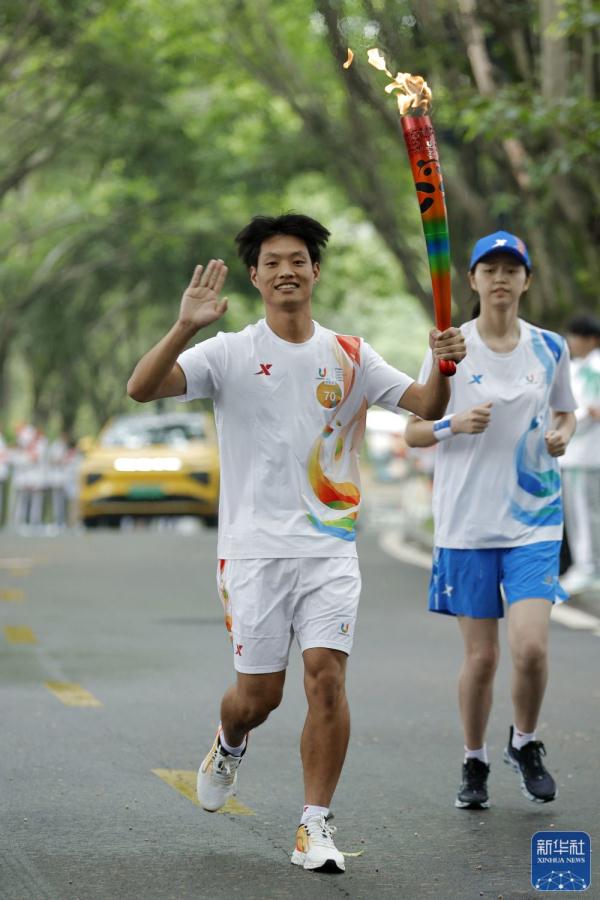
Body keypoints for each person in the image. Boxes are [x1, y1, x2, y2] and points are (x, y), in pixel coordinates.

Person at [127, 213, 465, 873]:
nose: (287, 270)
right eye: (273, 261)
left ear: (315, 272)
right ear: (255, 276)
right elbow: (141, 388)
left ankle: (314, 826)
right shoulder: (227, 351)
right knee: (259, 697)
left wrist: (445, 364)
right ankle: (228, 740)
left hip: (329, 548)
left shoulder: (350, 354)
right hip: (253, 551)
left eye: (299, 260)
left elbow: (426, 404)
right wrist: (184, 327)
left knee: (327, 680)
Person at [405, 230, 576, 811]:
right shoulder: (449, 348)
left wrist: (560, 436)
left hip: (534, 519)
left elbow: (566, 414)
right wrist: (454, 425)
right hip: (466, 523)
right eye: (489, 269)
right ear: (472, 280)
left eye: (512, 269)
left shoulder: (551, 347)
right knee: (482, 657)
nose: (500, 278)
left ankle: (523, 742)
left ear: (527, 280)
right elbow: (413, 430)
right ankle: (473, 758)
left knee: (530, 648)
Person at [559, 314, 600, 594]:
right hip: (573, 454)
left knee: (586, 514)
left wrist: (575, 416)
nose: (572, 342)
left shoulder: (594, 369)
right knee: (578, 514)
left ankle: (589, 567)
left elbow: (590, 410)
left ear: (591, 340)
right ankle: (583, 565)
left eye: (577, 337)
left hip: (585, 454)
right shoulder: (575, 367)